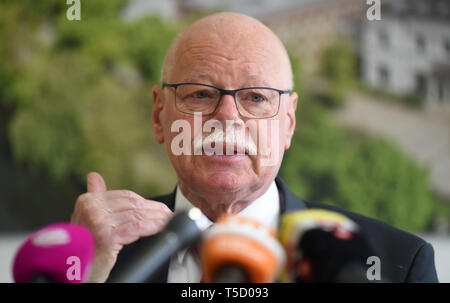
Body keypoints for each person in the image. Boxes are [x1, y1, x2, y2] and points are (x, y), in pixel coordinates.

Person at [70, 12, 438, 283]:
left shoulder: (393, 264)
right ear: (158, 115)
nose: (228, 116)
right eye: (200, 93)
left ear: (289, 123)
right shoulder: (96, 255)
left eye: (256, 97)